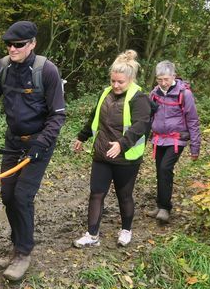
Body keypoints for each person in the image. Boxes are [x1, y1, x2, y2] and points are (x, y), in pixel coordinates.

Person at [0, 21, 66, 281]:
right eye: (9, 44)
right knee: (7, 195)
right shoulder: (2, 68)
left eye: (19, 44)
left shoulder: (46, 71)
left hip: (39, 143)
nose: (12, 48)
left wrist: (41, 143)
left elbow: (58, 115)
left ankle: (23, 254)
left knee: (22, 196)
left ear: (33, 43)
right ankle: (17, 246)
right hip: (13, 141)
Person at [72, 50, 152, 248]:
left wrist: (122, 145)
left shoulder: (139, 98)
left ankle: (126, 230)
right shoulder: (105, 93)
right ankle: (92, 235)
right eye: (113, 81)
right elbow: (95, 116)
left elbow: (140, 126)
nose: (115, 85)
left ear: (130, 79)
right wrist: (82, 136)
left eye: (120, 82)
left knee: (124, 195)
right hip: (102, 154)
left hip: (126, 158)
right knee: (96, 194)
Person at [148, 61, 201, 223]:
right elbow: (148, 117)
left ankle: (165, 208)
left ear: (173, 76)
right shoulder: (155, 93)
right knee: (159, 170)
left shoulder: (184, 94)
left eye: (166, 79)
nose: (163, 83)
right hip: (159, 138)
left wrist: (195, 147)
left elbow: (192, 120)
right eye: (159, 79)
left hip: (177, 139)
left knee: (165, 168)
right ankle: (160, 204)